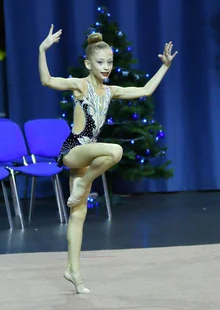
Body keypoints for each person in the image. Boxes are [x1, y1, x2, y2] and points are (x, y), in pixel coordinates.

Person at [38, 24, 177, 294]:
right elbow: (47, 81)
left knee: (78, 214)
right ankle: (84, 183)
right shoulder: (80, 86)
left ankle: (73, 271)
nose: (106, 67)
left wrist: (165, 67)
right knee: (115, 150)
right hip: (74, 150)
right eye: (100, 62)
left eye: (110, 62)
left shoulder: (110, 91)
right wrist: (42, 50)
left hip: (88, 156)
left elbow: (145, 90)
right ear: (88, 63)